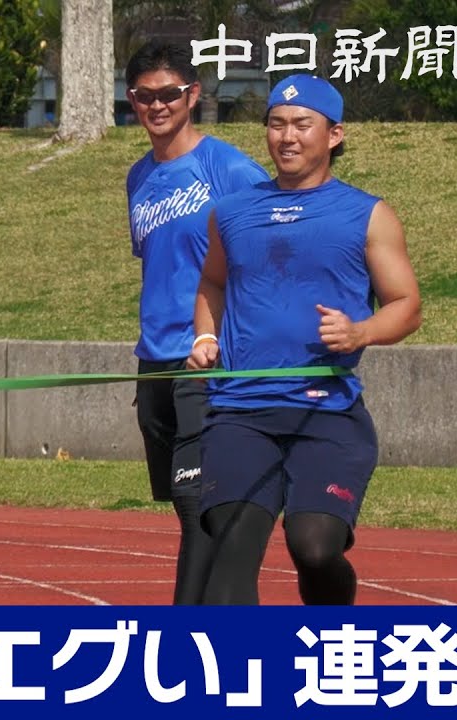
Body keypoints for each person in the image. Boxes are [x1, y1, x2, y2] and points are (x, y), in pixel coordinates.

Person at [188, 74, 422, 604]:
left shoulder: (368, 214)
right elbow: (212, 283)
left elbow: (407, 306)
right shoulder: (231, 213)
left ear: (334, 134)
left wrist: (361, 331)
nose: (286, 137)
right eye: (276, 124)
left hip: (326, 412)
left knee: (315, 547)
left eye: (301, 124)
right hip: (239, 412)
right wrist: (205, 336)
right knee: (231, 544)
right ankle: (237, 659)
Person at [122, 41, 269, 604]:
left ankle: (192, 632)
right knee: (194, 511)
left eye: (169, 94)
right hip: (154, 362)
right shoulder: (138, 178)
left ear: (193, 95)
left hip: (207, 359)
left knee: (199, 503)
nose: (157, 106)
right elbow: (159, 266)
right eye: (144, 97)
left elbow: (268, 255)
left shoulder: (229, 169)